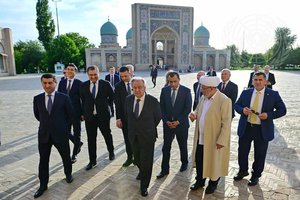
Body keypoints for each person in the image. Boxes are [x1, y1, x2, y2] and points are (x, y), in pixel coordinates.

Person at [234, 72, 286, 186]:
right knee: (242, 152)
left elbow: (283, 110)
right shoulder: (246, 92)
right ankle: (243, 171)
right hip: (246, 127)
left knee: (260, 154)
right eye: (255, 80)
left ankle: (256, 175)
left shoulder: (273, 94)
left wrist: (269, 115)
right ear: (252, 81)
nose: (257, 82)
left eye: (260, 80)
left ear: (266, 82)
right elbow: (236, 105)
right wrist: (242, 110)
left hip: (262, 130)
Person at [33, 74, 73, 198]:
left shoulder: (64, 98)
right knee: (43, 160)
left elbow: (70, 115)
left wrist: (62, 127)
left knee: (66, 156)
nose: (47, 85)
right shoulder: (37, 98)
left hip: (60, 134)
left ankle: (68, 174)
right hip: (44, 134)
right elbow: (38, 116)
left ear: (55, 83)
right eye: (44, 83)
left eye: (50, 83)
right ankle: (43, 185)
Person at [189, 76, 231, 194]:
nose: (201, 90)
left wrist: (221, 140)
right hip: (201, 138)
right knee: (200, 160)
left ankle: (213, 184)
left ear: (212, 88)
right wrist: (194, 114)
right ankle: (200, 181)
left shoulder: (224, 100)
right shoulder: (204, 97)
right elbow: (197, 110)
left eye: (204, 88)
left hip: (214, 139)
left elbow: (226, 123)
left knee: (214, 162)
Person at [124, 77, 161, 197]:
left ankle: (144, 185)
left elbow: (157, 117)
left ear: (145, 88)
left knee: (147, 161)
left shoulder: (153, 101)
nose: (137, 90)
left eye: (140, 87)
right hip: (133, 135)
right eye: (134, 88)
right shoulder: (128, 100)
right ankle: (142, 171)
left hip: (148, 136)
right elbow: (128, 116)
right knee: (137, 159)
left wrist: (148, 128)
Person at [157, 71, 192, 179]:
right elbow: (161, 108)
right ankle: (164, 169)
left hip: (181, 125)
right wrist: (166, 121)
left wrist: (178, 121)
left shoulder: (186, 91)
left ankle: (184, 163)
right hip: (168, 125)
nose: (172, 84)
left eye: (174, 81)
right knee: (166, 147)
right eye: (170, 82)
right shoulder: (164, 90)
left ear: (179, 80)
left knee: (182, 145)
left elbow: (187, 109)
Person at [80, 65, 115, 171]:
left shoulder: (106, 84)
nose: (93, 77)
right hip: (90, 117)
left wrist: (105, 106)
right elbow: (82, 101)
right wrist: (83, 113)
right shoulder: (83, 85)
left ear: (98, 73)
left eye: (95, 74)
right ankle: (92, 161)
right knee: (91, 139)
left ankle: (111, 152)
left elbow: (111, 97)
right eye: (91, 75)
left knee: (107, 134)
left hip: (103, 115)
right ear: (88, 75)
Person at [58, 63, 83, 163]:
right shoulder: (62, 83)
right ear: (65, 71)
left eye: (72, 69)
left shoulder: (79, 83)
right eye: (68, 69)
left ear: (75, 72)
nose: (69, 71)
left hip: (76, 113)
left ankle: (74, 154)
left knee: (77, 134)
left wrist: (82, 113)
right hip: (64, 113)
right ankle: (78, 143)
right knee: (65, 132)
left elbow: (82, 99)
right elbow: (58, 97)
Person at [114, 66, 134, 167]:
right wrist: (118, 119)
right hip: (125, 119)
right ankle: (129, 157)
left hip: (137, 118)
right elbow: (117, 104)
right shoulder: (118, 86)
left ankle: (137, 157)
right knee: (127, 139)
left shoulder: (137, 82)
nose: (124, 78)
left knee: (137, 139)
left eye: (125, 76)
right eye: (122, 76)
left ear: (130, 72)